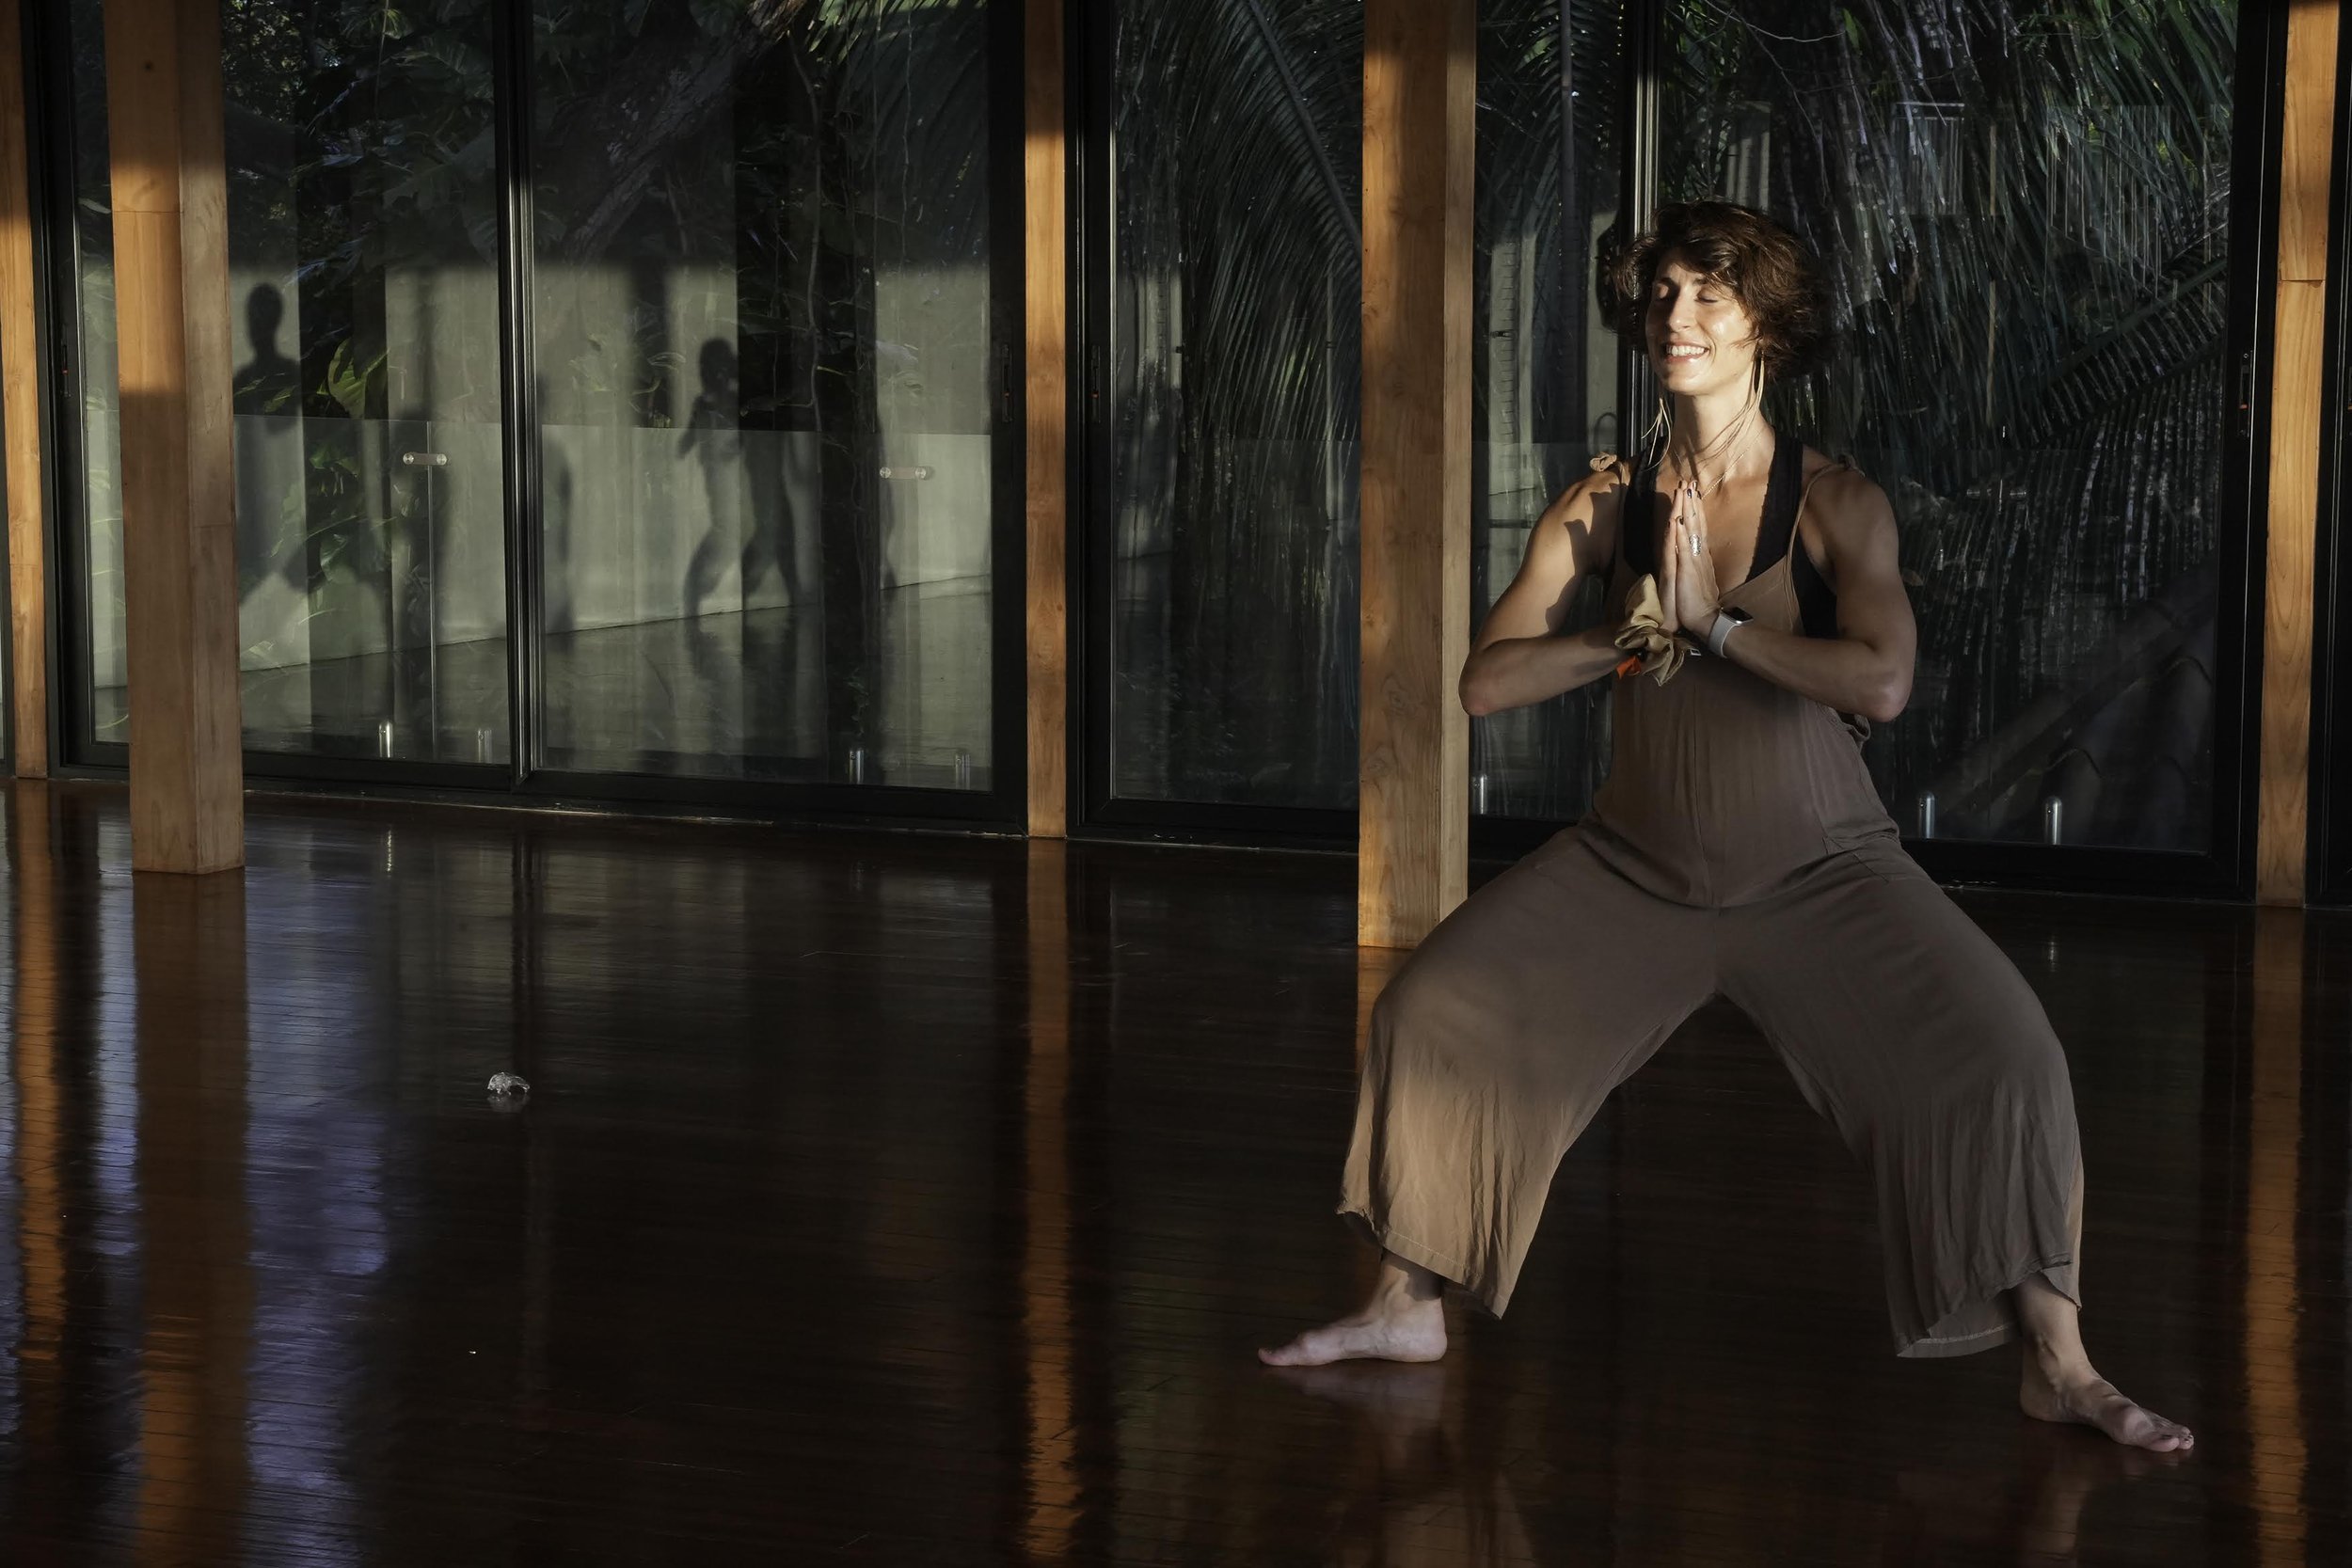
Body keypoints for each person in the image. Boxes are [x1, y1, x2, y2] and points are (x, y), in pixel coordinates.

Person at [1260, 201, 2192, 1455]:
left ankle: (2059, 1364)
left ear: (1767, 324)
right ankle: (1405, 1308)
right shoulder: (1604, 503)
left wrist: (1720, 626)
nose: (1674, 316)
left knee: (2008, 1056)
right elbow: (1488, 682)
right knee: (1430, 1013)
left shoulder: (1836, 504)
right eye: (1661, 294)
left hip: (1823, 870)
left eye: (1707, 293)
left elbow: (1882, 684)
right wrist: (1633, 627)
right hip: (1634, 867)